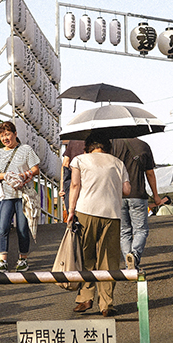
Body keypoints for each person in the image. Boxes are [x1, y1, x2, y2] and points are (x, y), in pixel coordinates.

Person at [67, 134, 131, 317]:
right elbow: (127, 190)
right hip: (112, 214)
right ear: (107, 147)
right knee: (109, 259)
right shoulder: (118, 163)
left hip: (86, 211)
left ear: (87, 147)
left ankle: (85, 298)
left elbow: (75, 185)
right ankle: (106, 304)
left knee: (86, 256)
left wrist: (71, 210)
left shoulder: (79, 160)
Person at [0, 121, 40, 272]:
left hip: (24, 195)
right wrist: (4, 175)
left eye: (7, 134)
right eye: (2, 136)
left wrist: (24, 175)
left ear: (15, 134)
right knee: (3, 228)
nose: (5, 138)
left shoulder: (26, 149)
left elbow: (36, 169)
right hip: (6, 195)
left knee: (22, 228)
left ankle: (23, 259)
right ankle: (2, 261)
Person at [111, 137, 162, 268]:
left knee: (124, 232)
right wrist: (156, 195)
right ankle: (134, 256)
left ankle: (129, 265)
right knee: (141, 230)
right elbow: (150, 173)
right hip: (138, 194)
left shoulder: (113, 145)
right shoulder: (143, 146)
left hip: (118, 195)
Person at [60, 139, 84, 212]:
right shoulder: (98, 142)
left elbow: (65, 164)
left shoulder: (74, 141)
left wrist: (62, 188)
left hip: (72, 181)